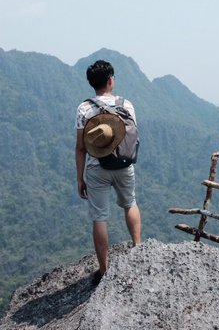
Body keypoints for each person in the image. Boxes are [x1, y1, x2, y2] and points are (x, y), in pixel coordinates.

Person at [75, 59, 142, 284]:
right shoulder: (127, 105)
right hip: (124, 165)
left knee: (100, 218)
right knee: (130, 203)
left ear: (91, 83)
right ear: (110, 80)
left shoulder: (84, 109)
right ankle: (138, 250)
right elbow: (133, 136)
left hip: (96, 168)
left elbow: (80, 147)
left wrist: (80, 178)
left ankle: (104, 270)